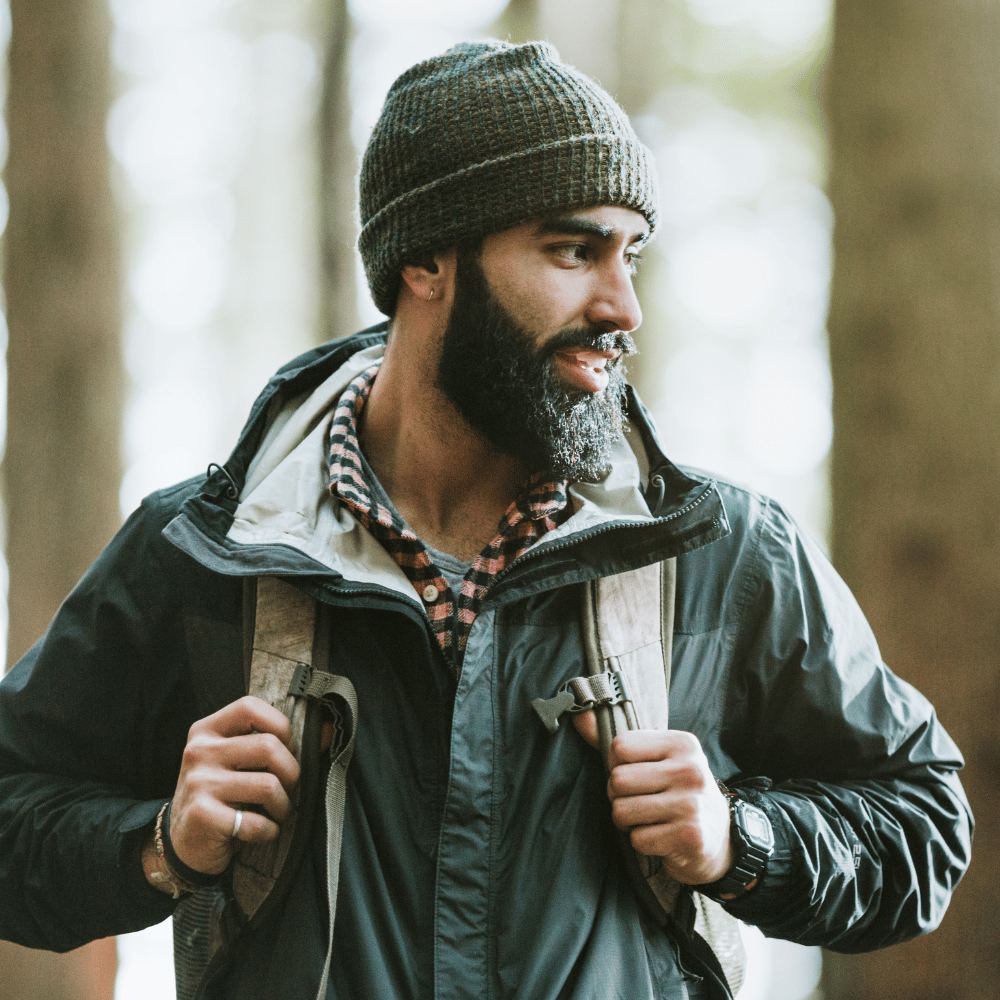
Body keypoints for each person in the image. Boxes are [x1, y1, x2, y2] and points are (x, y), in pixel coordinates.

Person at [0, 40, 972, 1000]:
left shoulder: (723, 549)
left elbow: (922, 823)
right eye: (571, 249)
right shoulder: (204, 551)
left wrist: (742, 840)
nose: (622, 303)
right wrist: (157, 844)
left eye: (631, 254)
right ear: (426, 258)